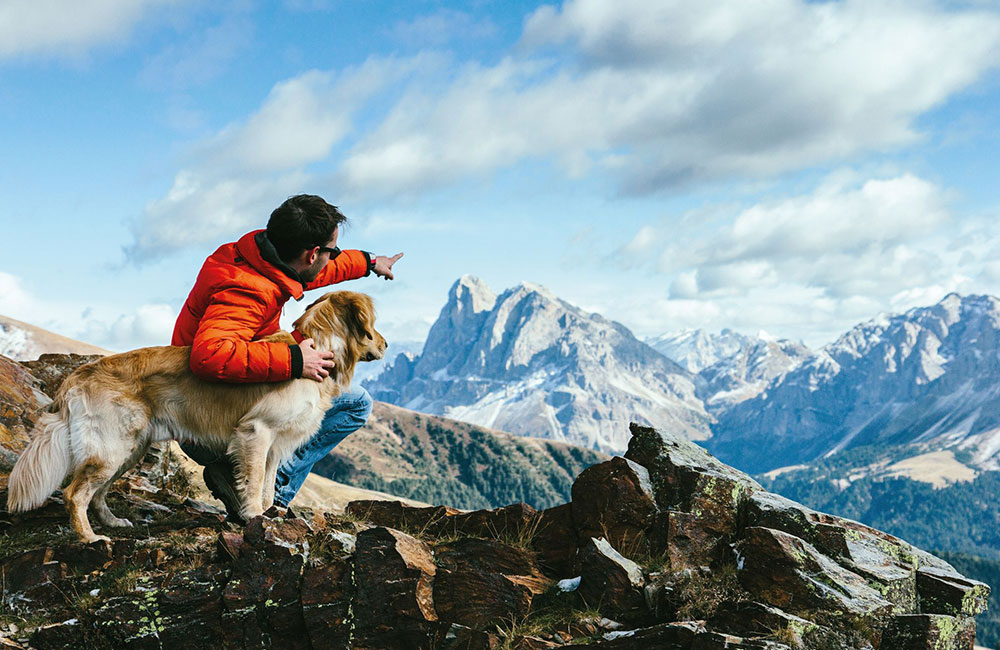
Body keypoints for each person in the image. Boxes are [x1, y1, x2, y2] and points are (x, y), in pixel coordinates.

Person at [170, 194, 403, 520]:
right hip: (209, 418)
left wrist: (368, 262)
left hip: (234, 395)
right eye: (331, 251)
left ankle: (256, 485)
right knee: (347, 403)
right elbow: (209, 356)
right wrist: (293, 360)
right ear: (312, 254)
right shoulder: (247, 289)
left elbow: (316, 272)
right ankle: (269, 494)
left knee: (355, 401)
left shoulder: (263, 258)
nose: (332, 258)